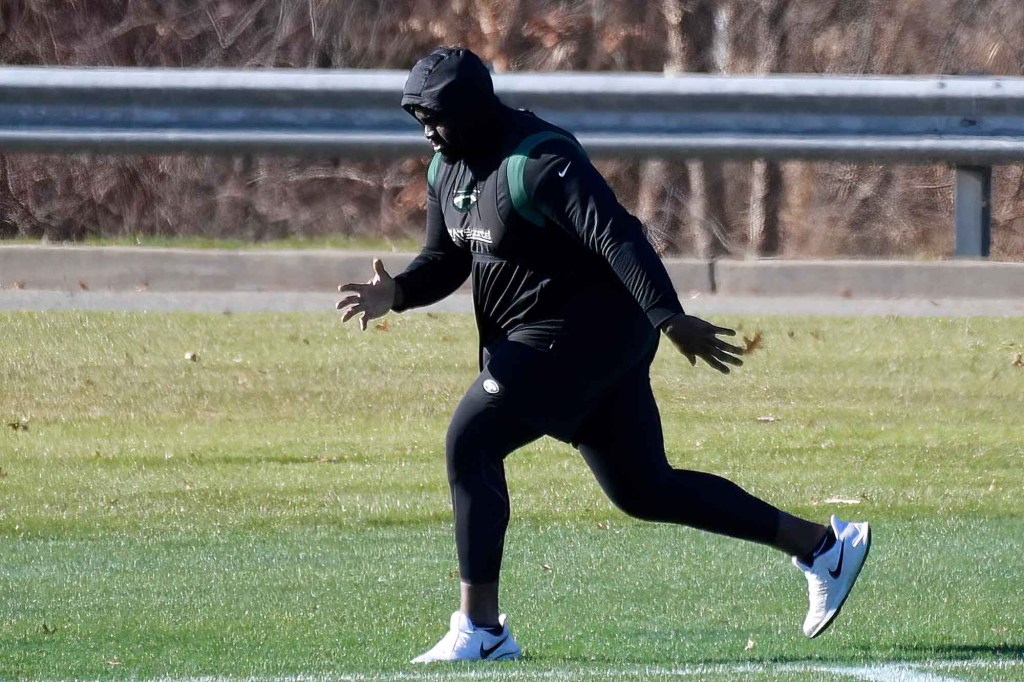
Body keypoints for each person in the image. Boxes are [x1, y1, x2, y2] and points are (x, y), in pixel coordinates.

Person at [336, 46, 871, 664]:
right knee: (644, 490)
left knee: (471, 441)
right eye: (418, 118)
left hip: (582, 337)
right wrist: (397, 291)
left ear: (475, 109)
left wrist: (667, 315)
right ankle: (822, 547)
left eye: (436, 117)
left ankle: (480, 629)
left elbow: (615, 233)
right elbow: (447, 259)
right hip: (552, 343)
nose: (427, 130)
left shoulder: (540, 161)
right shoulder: (446, 168)